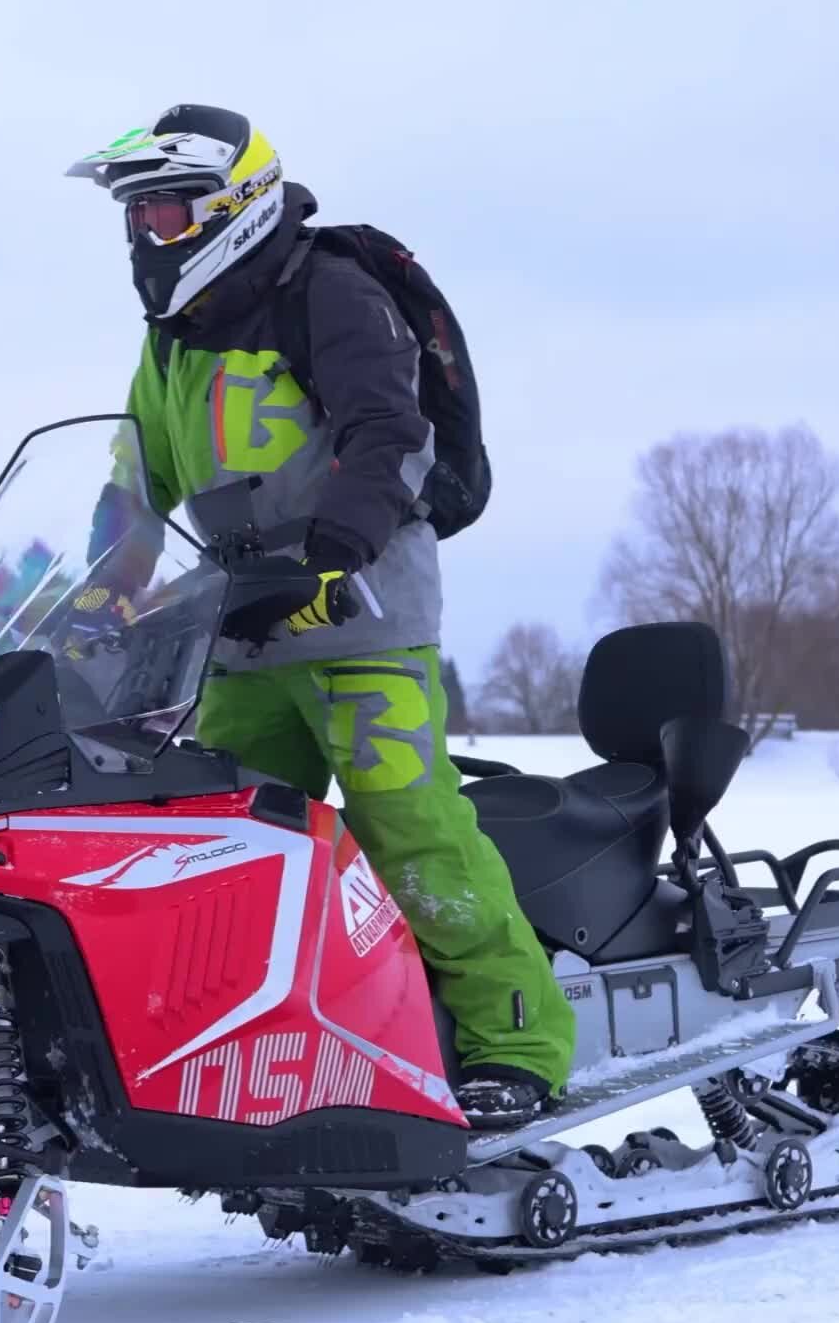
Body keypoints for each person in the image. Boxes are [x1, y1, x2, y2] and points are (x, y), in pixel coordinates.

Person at [67, 103, 574, 1126]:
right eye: (139, 220)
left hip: (363, 614)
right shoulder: (169, 344)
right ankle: (282, 1047)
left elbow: (387, 429)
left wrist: (333, 557)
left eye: (165, 215)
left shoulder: (329, 292)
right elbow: (136, 476)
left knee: (406, 825)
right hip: (239, 631)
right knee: (230, 847)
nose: (148, 236)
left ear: (233, 207)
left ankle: (518, 1040)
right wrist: (102, 589)